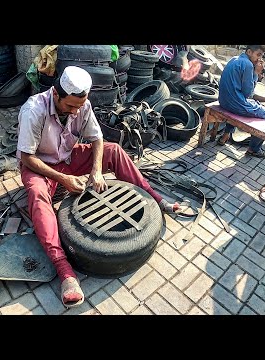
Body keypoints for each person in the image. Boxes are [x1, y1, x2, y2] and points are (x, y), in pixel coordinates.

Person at [16, 66, 180, 308]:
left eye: (79, 106)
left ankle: (156, 198)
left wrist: (95, 171)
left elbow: (97, 138)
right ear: (56, 94)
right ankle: (65, 271)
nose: (75, 111)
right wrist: (63, 180)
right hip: (41, 165)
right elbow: (27, 158)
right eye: (70, 106)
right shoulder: (34, 109)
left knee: (114, 151)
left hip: (68, 158)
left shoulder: (82, 104)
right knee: (38, 195)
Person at [217, 45, 265, 158]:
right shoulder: (247, 65)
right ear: (249, 52)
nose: (259, 59)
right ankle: (254, 149)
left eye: (262, 56)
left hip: (223, 101)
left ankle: (226, 135)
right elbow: (248, 93)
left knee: (246, 103)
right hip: (233, 104)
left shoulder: (235, 59)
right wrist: (256, 73)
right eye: (258, 55)